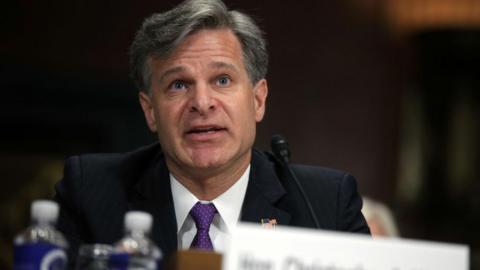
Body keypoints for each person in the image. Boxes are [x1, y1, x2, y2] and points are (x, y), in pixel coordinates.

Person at [54, 0, 370, 263]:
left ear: (258, 100)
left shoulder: (325, 205)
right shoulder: (91, 192)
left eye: (222, 80)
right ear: (150, 111)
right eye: (178, 85)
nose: (202, 103)